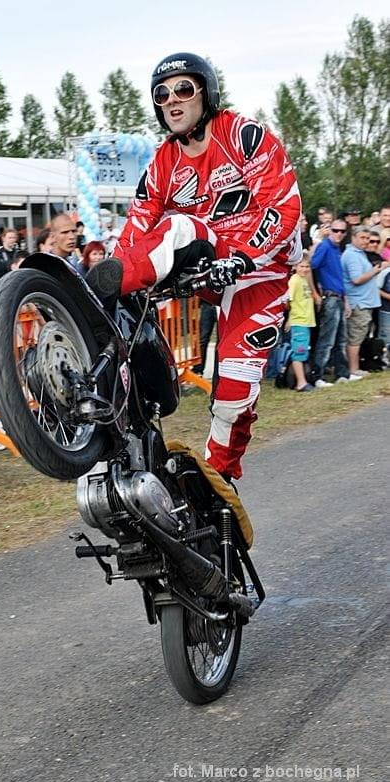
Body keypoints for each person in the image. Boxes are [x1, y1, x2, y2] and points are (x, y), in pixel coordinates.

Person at [88, 52, 302, 480]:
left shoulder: (243, 134)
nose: (172, 100)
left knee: (235, 398)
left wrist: (242, 258)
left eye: (183, 89)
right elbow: (138, 227)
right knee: (178, 228)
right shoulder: (162, 162)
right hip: (201, 261)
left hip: (261, 274)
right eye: (161, 94)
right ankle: (94, 308)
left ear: (207, 93)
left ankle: (219, 484)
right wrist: (114, 269)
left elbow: (283, 206)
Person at [309, 219, 358, 386]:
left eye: (342, 231)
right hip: (330, 298)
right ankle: (317, 376)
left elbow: (339, 278)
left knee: (340, 339)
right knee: (327, 340)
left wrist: (346, 300)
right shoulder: (324, 246)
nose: (338, 234)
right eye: (335, 230)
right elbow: (311, 265)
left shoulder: (337, 249)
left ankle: (342, 373)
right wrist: (316, 293)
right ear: (330, 231)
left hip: (339, 297)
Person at [341, 225, 383, 377]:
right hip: (359, 302)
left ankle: (355, 366)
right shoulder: (351, 255)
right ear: (353, 237)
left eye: (368, 238)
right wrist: (374, 271)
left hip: (365, 301)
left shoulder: (359, 253)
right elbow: (356, 279)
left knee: (359, 336)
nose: (366, 241)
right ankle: (353, 369)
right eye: (362, 238)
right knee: (355, 337)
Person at [286, 254, 316, 392]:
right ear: (295, 267)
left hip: (306, 321)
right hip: (298, 321)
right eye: (302, 266)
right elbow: (289, 300)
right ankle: (301, 383)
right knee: (299, 352)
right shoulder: (295, 280)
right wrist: (290, 320)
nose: (305, 269)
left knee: (303, 352)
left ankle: (303, 379)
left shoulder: (304, 280)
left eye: (307, 266)